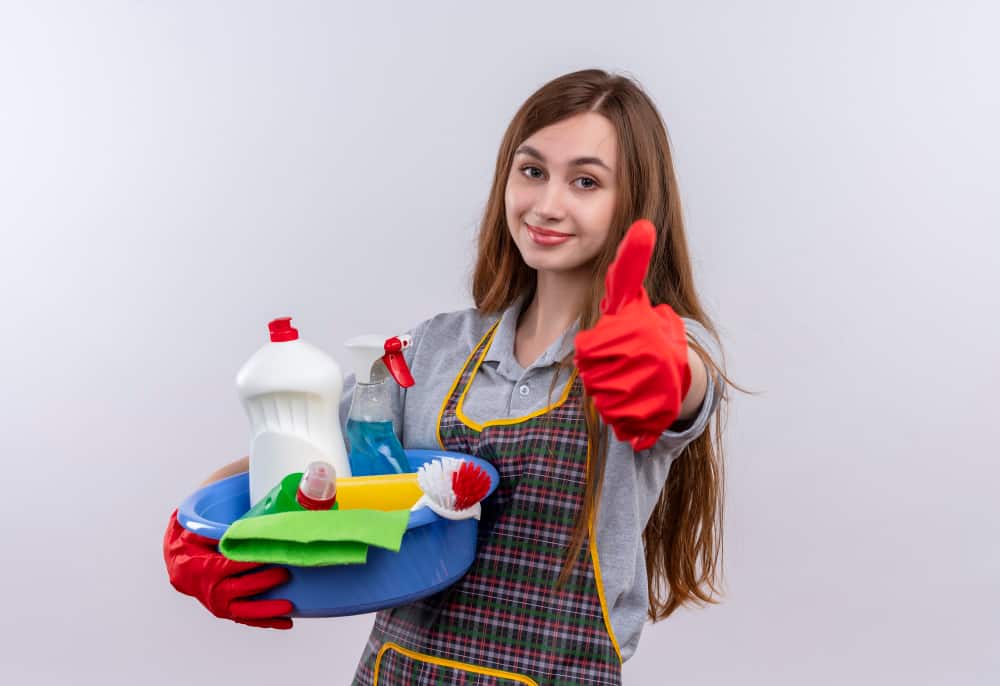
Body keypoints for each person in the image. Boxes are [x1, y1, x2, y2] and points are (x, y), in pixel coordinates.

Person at [163, 68, 733, 685]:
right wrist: (191, 528)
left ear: (635, 203)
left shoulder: (657, 351)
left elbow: (685, 387)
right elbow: (298, 458)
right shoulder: (433, 349)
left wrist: (658, 368)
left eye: (586, 182)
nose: (546, 204)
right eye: (532, 171)